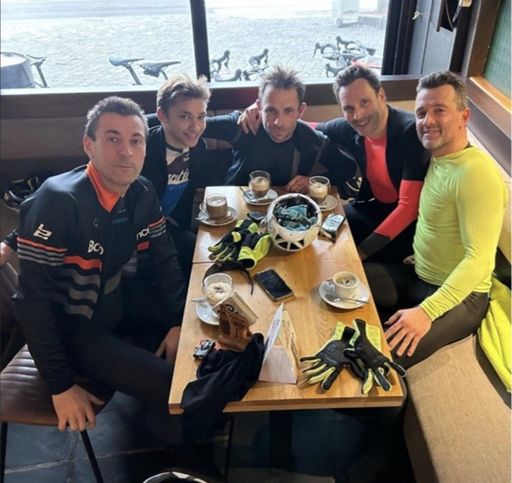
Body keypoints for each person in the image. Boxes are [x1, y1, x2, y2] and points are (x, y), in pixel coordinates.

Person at [14, 96, 186, 433]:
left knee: (199, 334)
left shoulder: (141, 190)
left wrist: (178, 321)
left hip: (115, 297)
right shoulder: (58, 201)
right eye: (113, 139)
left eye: (136, 141)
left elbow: (164, 259)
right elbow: (31, 303)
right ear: (88, 145)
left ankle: (173, 421)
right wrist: (60, 386)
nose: (126, 151)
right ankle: (174, 447)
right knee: (171, 384)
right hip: (73, 326)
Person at [365, 70, 508, 368]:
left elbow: (480, 260)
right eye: (421, 113)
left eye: (439, 110)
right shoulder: (438, 158)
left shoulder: (476, 174)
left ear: (464, 116)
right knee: (347, 284)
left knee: (378, 363)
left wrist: (427, 312)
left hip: (462, 298)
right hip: (420, 275)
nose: (427, 121)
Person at [240, 65, 429, 262]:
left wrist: (361, 253)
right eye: (348, 108)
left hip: (407, 229)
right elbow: (304, 127)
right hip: (371, 209)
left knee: (339, 259)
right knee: (310, 232)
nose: (357, 115)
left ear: (381, 95)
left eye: (364, 102)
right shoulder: (349, 128)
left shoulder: (410, 132)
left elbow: (408, 208)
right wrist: (262, 110)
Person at [206, 65, 356, 193]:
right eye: (271, 110)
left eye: (288, 111)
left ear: (300, 111)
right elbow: (199, 125)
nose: (278, 122)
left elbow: (348, 168)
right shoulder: (244, 124)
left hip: (286, 210)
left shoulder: (311, 139)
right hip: (236, 207)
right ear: (259, 107)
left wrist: (312, 182)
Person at [141, 74, 211, 278]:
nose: (195, 126)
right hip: (140, 234)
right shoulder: (143, 150)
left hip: (172, 226)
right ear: (162, 115)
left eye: (201, 117)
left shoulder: (198, 149)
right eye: (184, 116)